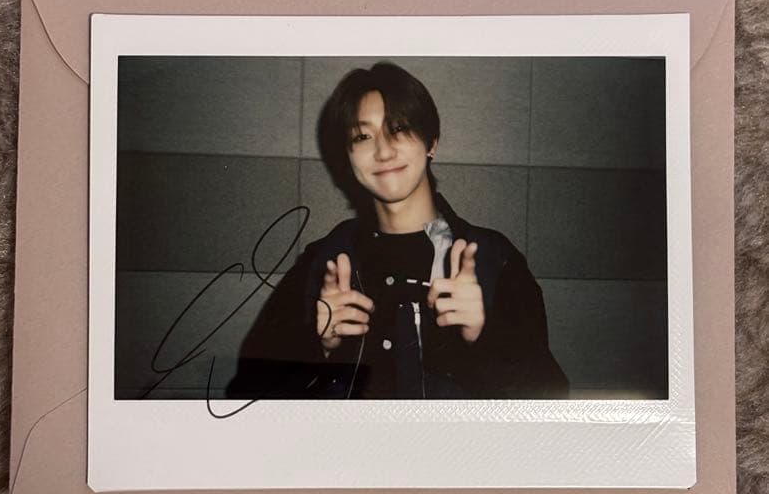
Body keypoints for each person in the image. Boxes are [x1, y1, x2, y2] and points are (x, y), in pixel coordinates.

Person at [225, 62, 568, 400]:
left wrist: (483, 338)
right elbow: (244, 395)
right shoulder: (323, 261)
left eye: (399, 128)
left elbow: (549, 400)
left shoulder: (493, 258)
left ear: (431, 142)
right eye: (362, 136)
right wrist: (319, 347)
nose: (384, 151)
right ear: (348, 155)